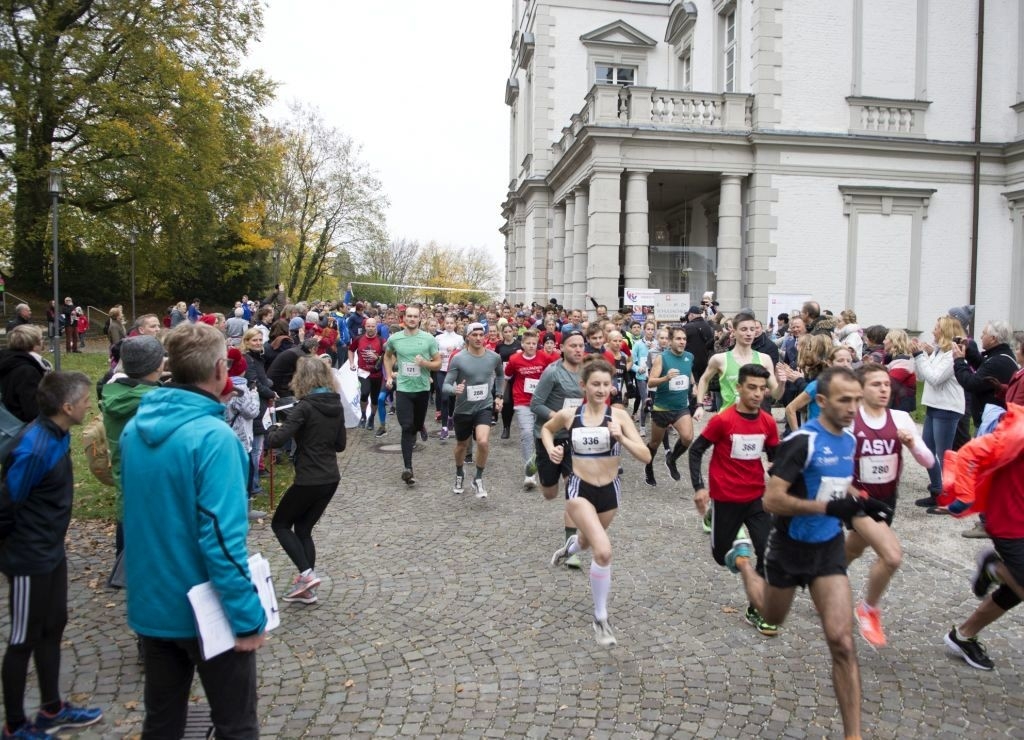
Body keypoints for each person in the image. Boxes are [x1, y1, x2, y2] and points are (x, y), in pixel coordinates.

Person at [724, 366, 892, 740]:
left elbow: (836, 488)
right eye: (844, 400)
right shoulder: (802, 440)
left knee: (842, 642)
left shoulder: (849, 440)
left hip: (827, 550)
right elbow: (772, 499)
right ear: (821, 401)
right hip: (788, 550)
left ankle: (854, 735)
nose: (853, 407)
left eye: (856, 400)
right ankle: (744, 563)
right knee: (770, 616)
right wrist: (829, 509)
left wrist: (864, 503)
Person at [121, 323, 267, 738]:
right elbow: (221, 539)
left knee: (162, 724)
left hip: (153, 605)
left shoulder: (134, 429)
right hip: (208, 612)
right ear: (221, 368)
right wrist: (247, 616)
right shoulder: (214, 438)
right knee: (236, 726)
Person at [0, 371, 103, 739]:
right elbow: (6, 505)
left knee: (52, 627)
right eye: (85, 399)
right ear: (67, 406)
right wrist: (16, 551)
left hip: (51, 552)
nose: (89, 404)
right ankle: (14, 726)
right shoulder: (33, 446)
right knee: (22, 638)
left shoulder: (57, 435)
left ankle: (51, 709)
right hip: (29, 558)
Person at [547, 357, 650, 647]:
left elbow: (645, 456)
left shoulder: (619, 417)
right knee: (603, 551)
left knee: (586, 542)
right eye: (596, 384)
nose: (602, 389)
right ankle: (600, 617)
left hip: (610, 491)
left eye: (607, 384)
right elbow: (546, 429)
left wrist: (623, 439)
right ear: (584, 386)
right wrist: (553, 449)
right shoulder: (571, 415)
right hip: (579, 488)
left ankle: (570, 547)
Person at [688, 364, 780, 636]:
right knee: (720, 555)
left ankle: (757, 608)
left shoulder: (767, 422)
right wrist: (700, 487)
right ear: (738, 388)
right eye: (751, 387)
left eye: (762, 389)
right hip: (726, 498)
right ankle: (717, 523)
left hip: (756, 498)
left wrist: (780, 476)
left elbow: (775, 456)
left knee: (767, 552)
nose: (757, 394)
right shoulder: (723, 420)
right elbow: (696, 451)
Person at [846, 363, 934, 648]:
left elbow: (929, 462)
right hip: (857, 499)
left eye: (886, 384)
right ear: (860, 389)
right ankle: (868, 609)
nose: (884, 389)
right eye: (875, 384)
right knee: (892, 556)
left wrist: (912, 445)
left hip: (886, 498)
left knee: (856, 546)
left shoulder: (900, 418)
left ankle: (826, 572)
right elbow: (830, 464)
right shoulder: (849, 420)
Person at [938, 403, 1024, 670]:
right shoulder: (1018, 431)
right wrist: (963, 496)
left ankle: (963, 635)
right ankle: (995, 568)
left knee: (1015, 590)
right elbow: (970, 453)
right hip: (1011, 523)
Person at [264, 357, 346, 604]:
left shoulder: (304, 407)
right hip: (330, 477)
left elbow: (276, 441)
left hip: (309, 478)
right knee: (303, 529)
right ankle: (306, 587)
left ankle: (307, 575)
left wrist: (270, 428)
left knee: (280, 524)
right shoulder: (336, 405)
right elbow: (340, 445)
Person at [100, 336, 165, 561]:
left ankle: (123, 562)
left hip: (123, 467)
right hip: (151, 477)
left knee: (126, 512)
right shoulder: (157, 400)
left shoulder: (114, 392)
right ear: (158, 364)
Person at [530, 331, 587, 568]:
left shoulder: (587, 371)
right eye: (572, 345)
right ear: (562, 348)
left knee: (574, 494)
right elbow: (536, 404)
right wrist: (560, 418)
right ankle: (534, 461)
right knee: (549, 493)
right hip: (549, 436)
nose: (577, 349)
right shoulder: (553, 372)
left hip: (573, 439)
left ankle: (570, 550)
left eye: (580, 345)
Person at [443, 323, 504, 499]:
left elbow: (500, 375)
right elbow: (446, 384)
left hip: (484, 406)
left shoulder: (494, 357)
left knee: (483, 442)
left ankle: (478, 478)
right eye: (474, 335)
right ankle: (459, 473)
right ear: (467, 337)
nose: (478, 338)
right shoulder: (458, 359)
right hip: (463, 409)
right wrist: (454, 390)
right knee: (462, 446)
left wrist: (499, 396)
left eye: (481, 334)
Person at [383, 305, 441, 486]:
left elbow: (438, 364)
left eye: (415, 317)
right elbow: (387, 356)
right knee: (406, 426)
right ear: (404, 318)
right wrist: (389, 374)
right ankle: (408, 468)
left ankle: (420, 426)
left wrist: (424, 363)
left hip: (422, 389)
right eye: (409, 316)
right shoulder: (395, 338)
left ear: (419, 319)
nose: (412, 319)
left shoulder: (428, 339)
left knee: (415, 424)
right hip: (404, 389)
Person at [912, 316, 966, 509]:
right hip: (934, 405)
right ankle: (937, 489)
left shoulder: (952, 354)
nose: (933, 331)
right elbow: (921, 376)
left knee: (945, 456)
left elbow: (935, 378)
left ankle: (949, 496)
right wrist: (920, 356)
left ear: (944, 331)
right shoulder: (939, 352)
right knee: (927, 450)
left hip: (948, 407)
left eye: (936, 328)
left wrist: (920, 356)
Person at [644, 326, 695, 487]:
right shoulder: (662, 358)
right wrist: (666, 378)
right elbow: (651, 382)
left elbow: (689, 374)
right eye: (678, 339)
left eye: (684, 339)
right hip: (662, 408)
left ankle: (671, 459)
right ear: (671, 341)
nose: (682, 342)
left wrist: (695, 386)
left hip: (681, 407)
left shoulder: (689, 356)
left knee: (687, 437)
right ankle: (649, 467)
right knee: (654, 443)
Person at [505, 329, 556, 489]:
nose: (531, 346)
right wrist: (500, 396)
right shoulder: (514, 359)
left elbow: (552, 377)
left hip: (541, 402)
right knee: (527, 434)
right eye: (528, 343)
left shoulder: (545, 358)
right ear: (522, 344)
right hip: (522, 401)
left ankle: (542, 464)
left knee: (541, 435)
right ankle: (529, 474)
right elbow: (506, 376)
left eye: (534, 343)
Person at [242, 329, 275, 497]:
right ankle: (253, 486)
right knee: (254, 449)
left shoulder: (258, 358)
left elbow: (262, 380)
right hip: (254, 406)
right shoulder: (248, 360)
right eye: (254, 340)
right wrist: (271, 392)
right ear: (246, 341)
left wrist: (268, 384)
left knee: (258, 448)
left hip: (261, 405)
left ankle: (253, 483)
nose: (258, 342)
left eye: (260, 339)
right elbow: (253, 383)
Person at [0, 326, 49, 424]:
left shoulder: (8, 361)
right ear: (34, 345)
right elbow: (33, 411)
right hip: (21, 430)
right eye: (41, 339)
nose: (43, 341)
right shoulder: (27, 371)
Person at [349, 317, 385, 431]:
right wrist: (351, 363)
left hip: (376, 373)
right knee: (364, 393)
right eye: (368, 326)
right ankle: (363, 415)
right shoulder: (358, 339)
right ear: (365, 327)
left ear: (376, 327)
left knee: (375, 399)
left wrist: (378, 357)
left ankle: (371, 418)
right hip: (363, 372)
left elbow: (389, 357)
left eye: (373, 326)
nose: (370, 328)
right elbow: (350, 350)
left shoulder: (381, 341)